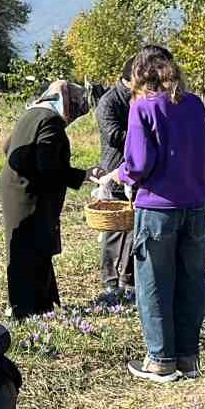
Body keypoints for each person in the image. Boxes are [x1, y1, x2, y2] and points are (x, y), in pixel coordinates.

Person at [112, 45, 205, 383]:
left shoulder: (142, 107)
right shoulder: (194, 104)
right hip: (194, 207)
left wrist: (118, 175)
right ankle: (188, 359)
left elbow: (139, 163)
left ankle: (160, 360)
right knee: (191, 282)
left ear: (139, 76)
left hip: (157, 208)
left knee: (154, 284)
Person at [0, 80, 91, 319]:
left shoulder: (33, 111)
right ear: (68, 104)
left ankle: (43, 304)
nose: (72, 119)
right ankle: (24, 309)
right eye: (75, 112)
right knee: (29, 249)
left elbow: (8, 147)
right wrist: (83, 175)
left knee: (33, 245)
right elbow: (48, 166)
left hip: (16, 186)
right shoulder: (51, 121)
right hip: (29, 192)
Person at [92, 58, 136, 298]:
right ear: (127, 79)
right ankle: (109, 278)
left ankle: (128, 277)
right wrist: (143, 135)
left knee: (133, 227)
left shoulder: (139, 99)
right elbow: (113, 135)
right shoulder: (108, 102)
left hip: (137, 171)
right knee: (114, 229)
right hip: (115, 171)